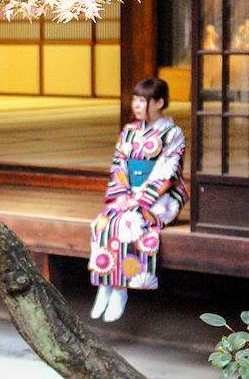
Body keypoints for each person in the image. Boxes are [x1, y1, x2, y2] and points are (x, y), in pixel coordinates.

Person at [88, 78, 188, 322]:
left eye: (142, 100)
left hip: (161, 197)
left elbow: (168, 171)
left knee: (129, 224)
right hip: (128, 193)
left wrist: (138, 199)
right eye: (135, 100)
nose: (137, 105)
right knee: (102, 223)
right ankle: (105, 284)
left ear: (159, 103)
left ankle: (121, 289)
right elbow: (119, 165)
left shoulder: (173, 133)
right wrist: (122, 195)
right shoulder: (129, 131)